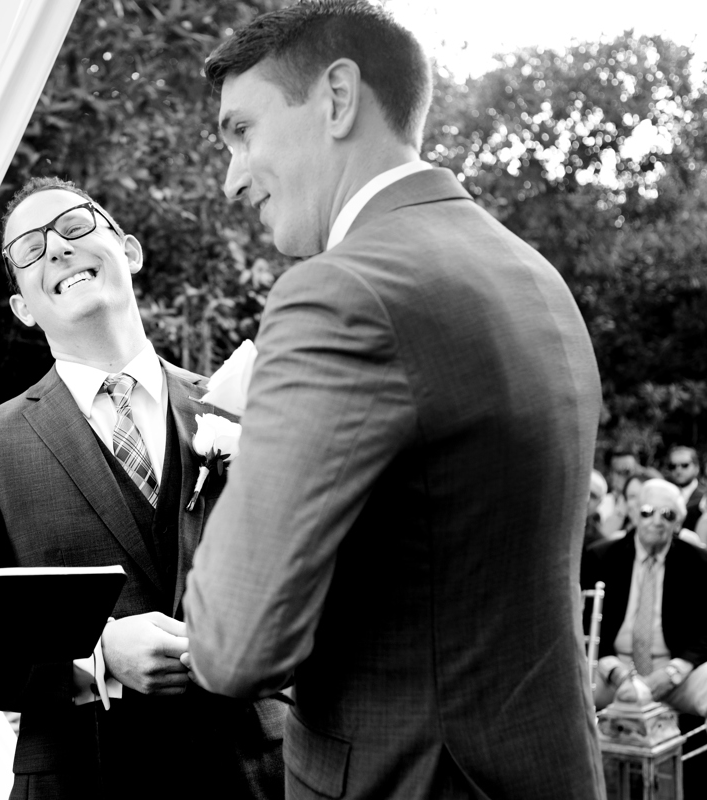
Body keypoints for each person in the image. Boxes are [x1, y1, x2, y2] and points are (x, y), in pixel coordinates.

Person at [181, 2, 604, 798]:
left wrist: (245, 431)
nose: (233, 178)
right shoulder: (531, 274)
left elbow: (233, 647)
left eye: (242, 131)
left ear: (338, 97)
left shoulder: (339, 294)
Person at [0, 177, 285, 799]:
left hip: (256, 773)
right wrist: (94, 661)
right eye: (30, 249)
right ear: (22, 306)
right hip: (87, 778)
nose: (57, 250)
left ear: (128, 250)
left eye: (74, 226)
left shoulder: (242, 409)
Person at [582, 479, 707, 716]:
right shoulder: (601, 557)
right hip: (612, 669)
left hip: (675, 672)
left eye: (667, 514)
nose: (656, 521)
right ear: (636, 515)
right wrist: (615, 670)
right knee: (570, 687)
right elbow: (586, 623)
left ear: (678, 522)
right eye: (647, 512)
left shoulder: (698, 562)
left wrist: (675, 671)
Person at [666, 445, 706, 532]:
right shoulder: (664, 494)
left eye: (684, 465)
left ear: (697, 468)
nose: (678, 470)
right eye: (673, 466)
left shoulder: (704, 496)